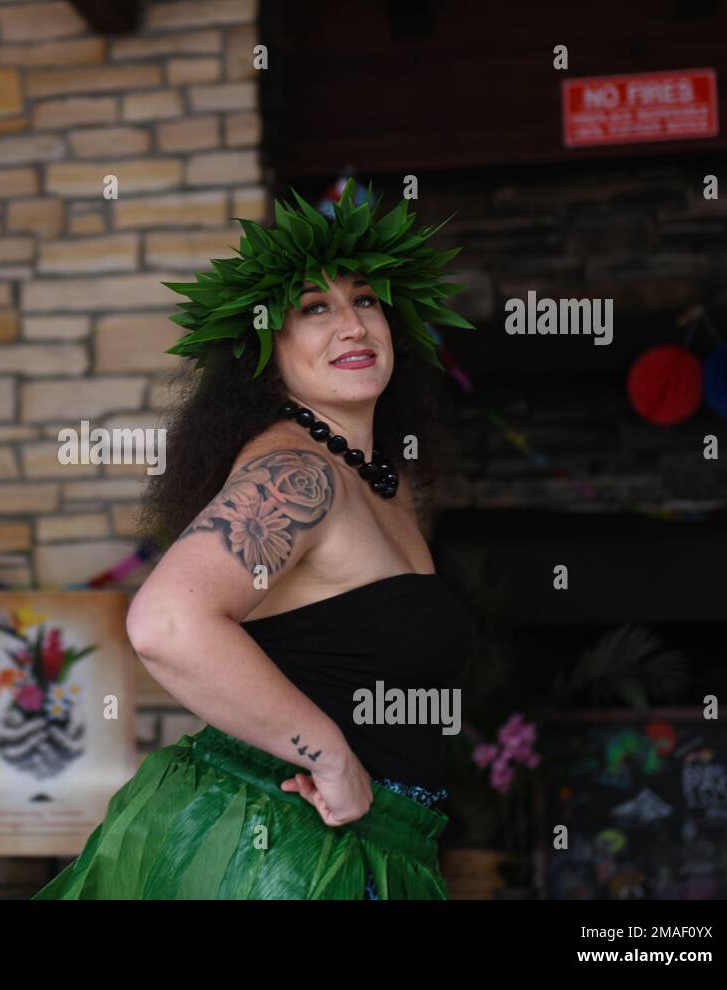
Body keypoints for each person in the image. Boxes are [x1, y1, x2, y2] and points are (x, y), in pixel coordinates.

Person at [33, 180, 476, 900]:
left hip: (369, 844)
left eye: (366, 301)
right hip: (285, 855)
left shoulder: (376, 480)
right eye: (315, 308)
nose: (353, 326)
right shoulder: (299, 474)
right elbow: (167, 623)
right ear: (266, 350)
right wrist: (328, 755)